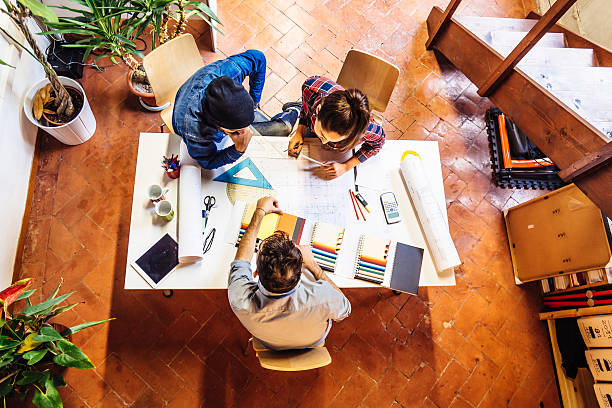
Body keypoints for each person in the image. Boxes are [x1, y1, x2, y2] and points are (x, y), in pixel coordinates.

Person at [228, 196, 351, 350]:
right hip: (312, 342)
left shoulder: (239, 297)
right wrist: (313, 265)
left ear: (256, 273)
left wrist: (259, 211)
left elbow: (242, 260)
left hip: (270, 344)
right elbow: (345, 311)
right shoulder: (324, 296)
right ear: (299, 273)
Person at [172, 50, 300, 169]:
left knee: (283, 129)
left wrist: (254, 101)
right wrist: (239, 149)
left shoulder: (230, 71)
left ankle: (294, 109)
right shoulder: (194, 132)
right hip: (188, 121)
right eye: (236, 131)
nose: (246, 131)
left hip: (205, 100)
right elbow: (208, 162)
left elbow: (258, 57)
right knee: (280, 131)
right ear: (219, 127)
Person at [287, 75, 386, 179]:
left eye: (333, 140)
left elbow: (377, 144)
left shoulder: (365, 129)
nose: (324, 142)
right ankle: (295, 107)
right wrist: (300, 131)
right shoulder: (311, 87)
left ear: (352, 134)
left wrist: (346, 166)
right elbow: (306, 108)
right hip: (311, 122)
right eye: (322, 134)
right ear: (318, 109)